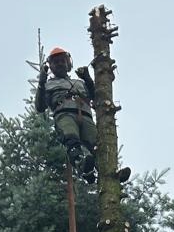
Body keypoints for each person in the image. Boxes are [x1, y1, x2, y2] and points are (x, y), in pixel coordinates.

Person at [35, 48, 129, 184]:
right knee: (71, 139)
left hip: (85, 115)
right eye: (56, 62)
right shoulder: (48, 85)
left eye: (62, 61)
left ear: (68, 63)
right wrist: (42, 82)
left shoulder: (80, 83)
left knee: (98, 145)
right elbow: (40, 106)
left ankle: (111, 173)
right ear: (51, 66)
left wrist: (87, 78)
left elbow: (97, 97)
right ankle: (82, 165)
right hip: (64, 114)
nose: (60, 64)